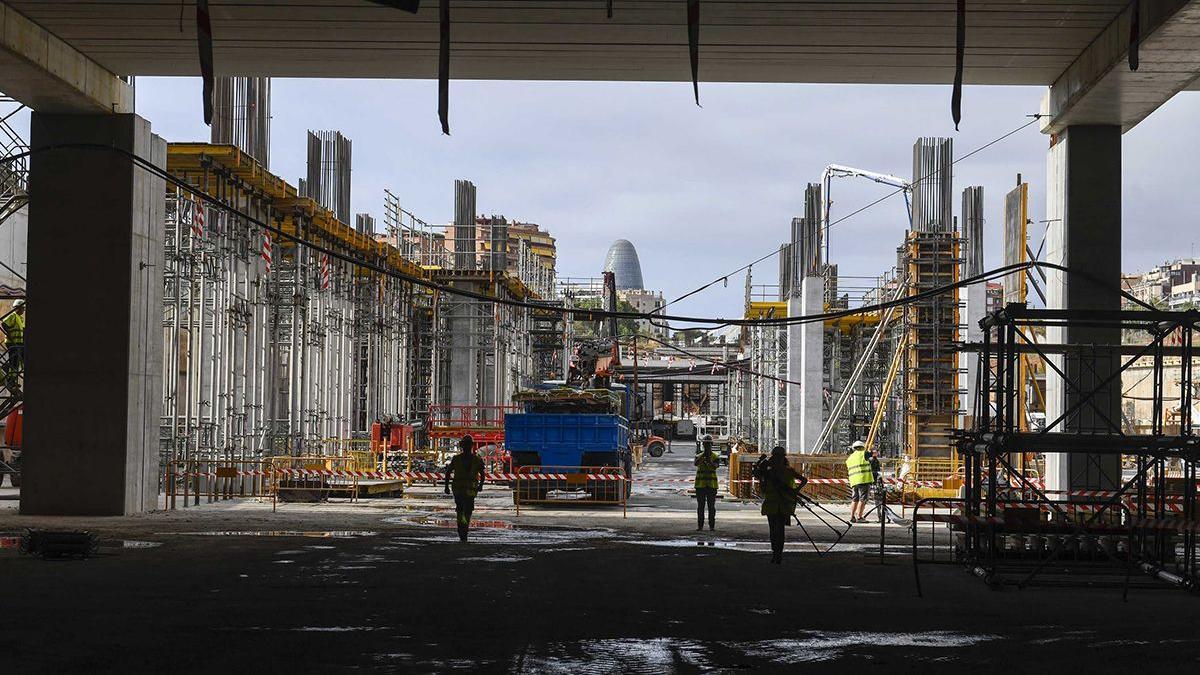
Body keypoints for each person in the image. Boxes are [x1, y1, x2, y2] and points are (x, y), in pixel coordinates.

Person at [755, 446, 808, 564]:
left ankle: (777, 554)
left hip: (780, 504)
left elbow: (803, 480)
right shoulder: (774, 472)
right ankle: (776, 554)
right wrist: (795, 491)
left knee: (776, 531)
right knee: (776, 531)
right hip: (777, 504)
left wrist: (795, 491)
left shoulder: (776, 471)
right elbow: (763, 488)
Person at [443, 435, 485, 542]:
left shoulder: (476, 460)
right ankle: (462, 528)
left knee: (466, 511)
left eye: (467, 445)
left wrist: (480, 485)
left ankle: (463, 527)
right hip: (459, 490)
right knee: (462, 510)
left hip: (469, 490)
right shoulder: (458, 459)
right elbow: (448, 473)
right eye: (465, 445)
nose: (466, 447)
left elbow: (482, 474)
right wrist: (446, 486)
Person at [693, 434, 719, 531]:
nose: (707, 446)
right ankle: (700, 526)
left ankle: (711, 526)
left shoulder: (715, 456)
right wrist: (703, 456)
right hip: (700, 486)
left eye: (708, 445)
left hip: (711, 486)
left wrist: (709, 460)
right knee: (701, 507)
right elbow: (696, 463)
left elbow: (715, 466)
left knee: (711, 507)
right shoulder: (698, 456)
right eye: (705, 444)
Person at [846, 440, 873, 523]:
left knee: (855, 499)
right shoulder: (863, 454)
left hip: (854, 481)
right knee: (863, 499)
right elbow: (872, 454)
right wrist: (870, 448)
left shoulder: (850, 458)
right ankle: (860, 517)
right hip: (863, 480)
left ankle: (852, 516)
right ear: (862, 447)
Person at [2, 300, 25, 394]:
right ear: (17, 308)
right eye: (22, 308)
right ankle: (11, 380)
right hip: (12, 343)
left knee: (18, 361)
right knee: (14, 362)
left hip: (18, 343)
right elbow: (4, 324)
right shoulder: (13, 316)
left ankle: (12, 378)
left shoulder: (20, 318)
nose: (23, 310)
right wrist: (10, 336)